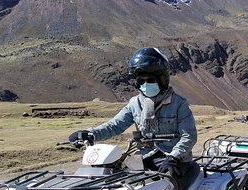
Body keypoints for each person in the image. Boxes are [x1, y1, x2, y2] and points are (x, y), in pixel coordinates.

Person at [69, 47, 197, 180]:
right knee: (117, 180)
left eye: (151, 80)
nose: (146, 84)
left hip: (174, 159)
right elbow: (114, 125)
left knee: (166, 186)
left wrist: (173, 157)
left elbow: (189, 136)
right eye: (142, 81)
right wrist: (89, 134)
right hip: (144, 157)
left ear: (162, 79)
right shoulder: (135, 104)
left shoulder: (178, 103)